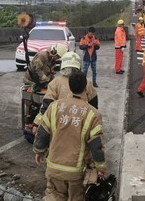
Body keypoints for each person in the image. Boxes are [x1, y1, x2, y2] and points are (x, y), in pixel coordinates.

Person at [33, 70, 107, 201]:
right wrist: (100, 167)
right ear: (86, 87)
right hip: (75, 173)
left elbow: (43, 132)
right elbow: (96, 145)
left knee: (53, 196)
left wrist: (38, 151)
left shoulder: (54, 107)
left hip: (53, 168)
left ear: (70, 86)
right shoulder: (93, 114)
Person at [33, 52, 99, 130]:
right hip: (79, 123)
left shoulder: (55, 82)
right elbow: (94, 105)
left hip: (59, 123)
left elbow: (46, 105)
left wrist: (37, 123)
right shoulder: (86, 82)